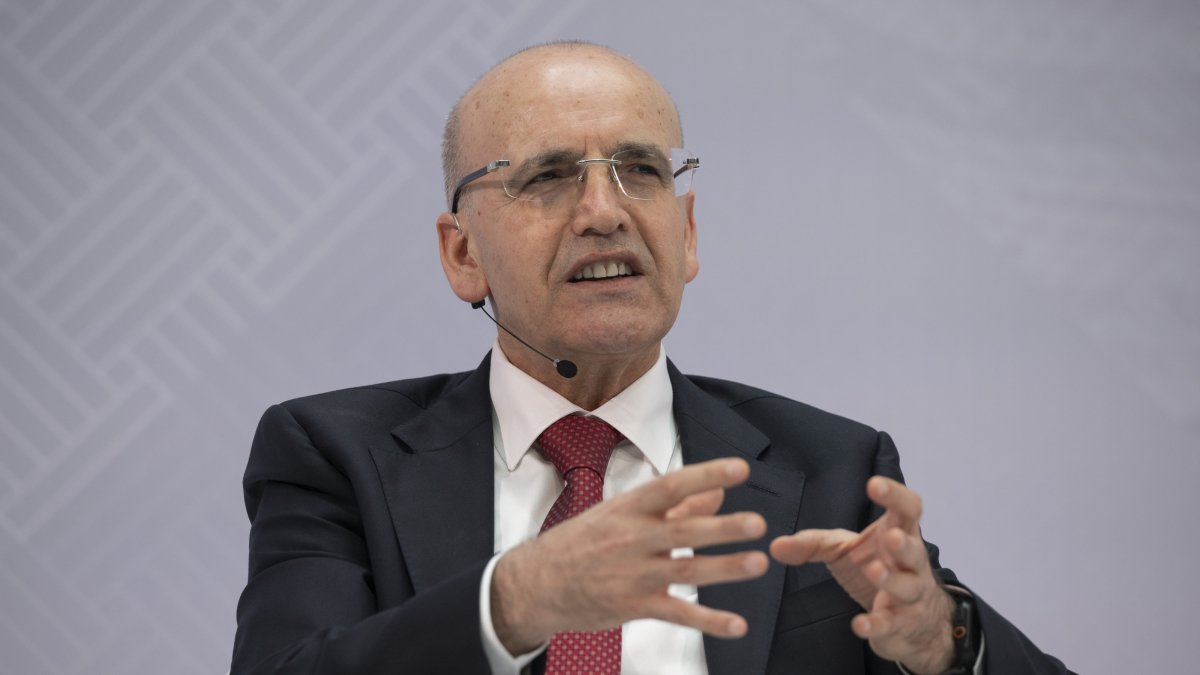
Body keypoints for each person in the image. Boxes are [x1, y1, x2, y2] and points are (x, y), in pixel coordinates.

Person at [231, 41, 1073, 674]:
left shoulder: (832, 467)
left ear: (688, 232)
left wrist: (943, 641)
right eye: (549, 176)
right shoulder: (336, 455)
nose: (605, 211)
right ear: (462, 254)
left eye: (640, 169)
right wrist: (515, 600)